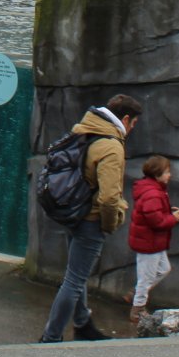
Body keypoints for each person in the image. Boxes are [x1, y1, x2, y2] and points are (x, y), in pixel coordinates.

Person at [38, 92, 142, 343]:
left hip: (72, 212)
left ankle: (83, 323)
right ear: (125, 119)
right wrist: (109, 224)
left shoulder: (85, 130)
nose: (132, 129)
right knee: (74, 281)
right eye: (134, 123)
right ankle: (50, 339)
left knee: (76, 274)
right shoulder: (111, 146)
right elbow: (108, 198)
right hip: (91, 221)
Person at [127, 154, 179, 327]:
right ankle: (137, 312)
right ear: (157, 174)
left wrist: (168, 212)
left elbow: (155, 213)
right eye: (167, 172)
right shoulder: (152, 193)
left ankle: (136, 294)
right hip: (149, 243)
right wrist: (172, 218)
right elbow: (156, 221)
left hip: (154, 242)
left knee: (164, 269)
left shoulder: (154, 190)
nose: (169, 175)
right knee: (146, 278)